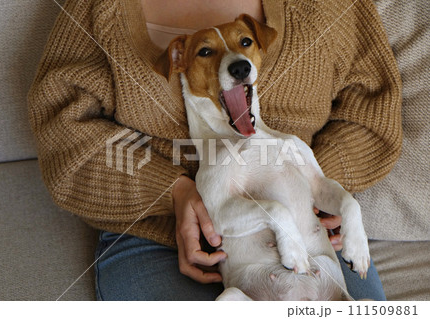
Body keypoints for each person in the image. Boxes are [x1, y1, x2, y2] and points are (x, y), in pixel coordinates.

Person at [28, 0, 402, 301]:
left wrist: (309, 183)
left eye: (244, 45)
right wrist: (169, 189)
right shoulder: (99, 9)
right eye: (206, 52)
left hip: (308, 229)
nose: (234, 60)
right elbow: (63, 131)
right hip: (153, 232)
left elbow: (373, 110)